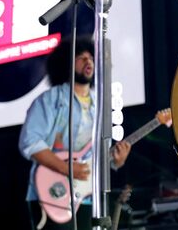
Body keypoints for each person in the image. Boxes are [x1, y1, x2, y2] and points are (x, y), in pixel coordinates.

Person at [19, 35, 132, 230]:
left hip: (89, 197)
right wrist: (67, 169)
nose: (88, 60)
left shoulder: (102, 104)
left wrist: (116, 161)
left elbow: (98, 159)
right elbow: (30, 142)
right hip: (52, 192)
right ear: (66, 63)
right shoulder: (50, 100)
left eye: (91, 57)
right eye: (81, 57)